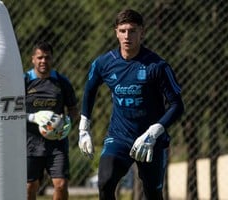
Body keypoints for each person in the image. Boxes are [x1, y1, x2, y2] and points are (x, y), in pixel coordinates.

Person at [78, 9, 184, 200]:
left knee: (153, 194)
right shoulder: (103, 63)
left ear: (142, 33)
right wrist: (83, 127)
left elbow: (177, 105)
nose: (127, 36)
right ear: (116, 32)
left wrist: (153, 133)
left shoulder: (157, 66)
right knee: (105, 182)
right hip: (119, 137)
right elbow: (90, 90)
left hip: (151, 141)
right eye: (123, 30)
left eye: (132, 31)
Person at [25, 41, 78, 200]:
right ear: (32, 59)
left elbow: (73, 111)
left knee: (61, 185)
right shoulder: (24, 81)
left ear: (52, 59)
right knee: (29, 187)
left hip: (57, 143)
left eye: (47, 58)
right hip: (30, 143)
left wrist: (67, 123)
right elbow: (13, 111)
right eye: (40, 57)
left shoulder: (62, 82)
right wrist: (33, 117)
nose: (43, 61)